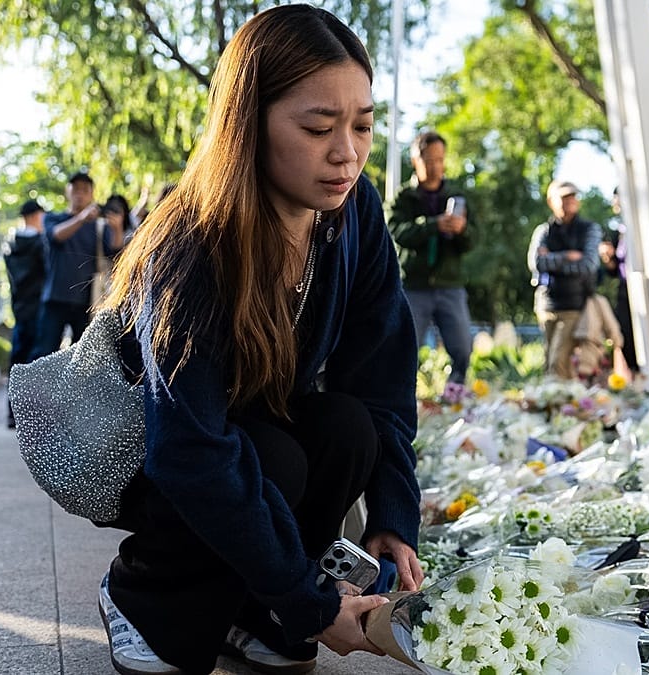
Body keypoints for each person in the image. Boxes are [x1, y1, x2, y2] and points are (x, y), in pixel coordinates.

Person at [95, 6, 422, 674]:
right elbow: (189, 449)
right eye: (318, 128)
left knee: (347, 428)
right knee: (271, 459)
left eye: (362, 125)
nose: (347, 152)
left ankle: (255, 610)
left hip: (254, 436)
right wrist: (313, 605)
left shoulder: (355, 211)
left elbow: (381, 377)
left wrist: (393, 515)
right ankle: (139, 593)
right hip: (161, 453)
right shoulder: (193, 242)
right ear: (247, 123)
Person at [386, 130, 473, 393]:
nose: (436, 166)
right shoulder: (403, 197)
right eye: (429, 160)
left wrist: (461, 230)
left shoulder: (457, 195)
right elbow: (396, 232)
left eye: (440, 159)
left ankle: (454, 397)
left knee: (462, 348)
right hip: (414, 286)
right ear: (416, 160)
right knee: (403, 350)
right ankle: (404, 400)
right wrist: (434, 225)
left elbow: (472, 241)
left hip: (450, 284)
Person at [30, 172, 125, 359]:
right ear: (68, 191)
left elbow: (114, 253)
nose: (79, 194)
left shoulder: (99, 226)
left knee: (82, 357)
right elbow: (56, 235)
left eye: (85, 190)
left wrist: (117, 228)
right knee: (44, 352)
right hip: (55, 298)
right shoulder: (53, 218)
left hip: (86, 301)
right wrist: (82, 217)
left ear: (92, 194)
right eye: (76, 189)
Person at [528, 180, 602, 379]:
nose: (569, 202)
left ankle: (560, 396)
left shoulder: (589, 229)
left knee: (558, 361)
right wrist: (568, 256)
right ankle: (563, 397)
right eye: (563, 198)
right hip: (547, 305)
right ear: (551, 201)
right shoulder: (544, 231)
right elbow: (536, 263)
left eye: (572, 197)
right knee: (550, 361)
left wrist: (552, 259)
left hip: (574, 305)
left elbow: (588, 265)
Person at [3, 199, 48, 428]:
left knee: (17, 361)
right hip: (38, 309)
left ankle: (13, 413)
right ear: (36, 215)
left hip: (19, 307)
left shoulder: (10, 243)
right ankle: (31, 416)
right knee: (36, 362)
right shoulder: (40, 243)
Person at [598, 187, 639, 375]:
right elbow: (614, 271)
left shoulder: (640, 225)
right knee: (626, 336)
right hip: (625, 292)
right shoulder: (620, 231)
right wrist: (608, 258)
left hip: (643, 290)